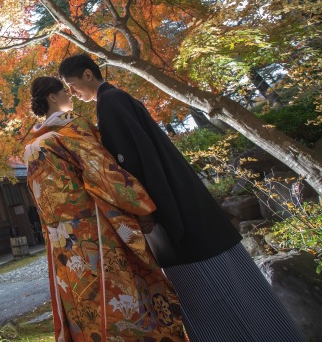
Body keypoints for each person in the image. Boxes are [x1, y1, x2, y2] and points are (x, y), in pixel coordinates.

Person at [58, 54, 305, 342]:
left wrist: (144, 210)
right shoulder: (117, 99)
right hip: (186, 204)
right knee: (241, 290)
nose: (72, 93)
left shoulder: (110, 103)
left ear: (88, 75)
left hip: (172, 214)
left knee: (212, 299)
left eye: (71, 85)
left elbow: (135, 164)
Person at [23, 76, 185, 341]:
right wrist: (142, 206)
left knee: (83, 301)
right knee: (122, 296)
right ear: (52, 97)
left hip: (62, 241)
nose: (70, 94)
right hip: (95, 232)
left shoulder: (33, 144)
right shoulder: (74, 129)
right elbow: (104, 174)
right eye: (65, 91)